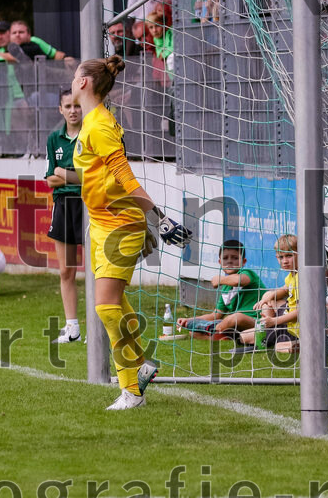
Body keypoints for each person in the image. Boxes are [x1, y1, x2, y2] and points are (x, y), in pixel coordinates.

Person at [71, 55, 192, 410]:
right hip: (103, 223)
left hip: (119, 224)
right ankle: (138, 371)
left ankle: (133, 385)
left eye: (76, 74)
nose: (72, 78)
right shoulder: (93, 122)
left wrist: (157, 217)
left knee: (107, 307)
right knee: (113, 304)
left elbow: (125, 176)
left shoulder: (100, 125)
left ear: (84, 83)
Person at [45, 90, 85, 344]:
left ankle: (100, 327)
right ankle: (72, 327)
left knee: (96, 271)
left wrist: (65, 173)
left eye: (77, 106)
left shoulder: (91, 134)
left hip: (88, 203)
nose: (73, 110)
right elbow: (50, 179)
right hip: (63, 204)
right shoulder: (53, 138)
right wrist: (70, 174)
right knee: (65, 270)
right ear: (60, 109)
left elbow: (90, 177)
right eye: (68, 106)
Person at [176, 239, 264, 341]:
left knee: (236, 317)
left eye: (235, 258)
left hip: (257, 322)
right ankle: (222, 335)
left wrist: (220, 279)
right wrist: (189, 320)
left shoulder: (248, 273)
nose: (230, 261)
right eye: (225, 258)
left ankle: (213, 329)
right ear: (220, 262)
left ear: (243, 262)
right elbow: (216, 315)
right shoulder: (225, 288)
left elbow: (239, 280)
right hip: (234, 325)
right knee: (193, 333)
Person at [251, 234, 301, 350]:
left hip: (295, 327)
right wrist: (267, 297)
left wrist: (274, 321)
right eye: (281, 257)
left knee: (277, 346)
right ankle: (267, 331)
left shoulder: (302, 278)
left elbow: (301, 312)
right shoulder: (291, 276)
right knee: (268, 298)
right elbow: (284, 289)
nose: (285, 261)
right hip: (287, 321)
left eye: (289, 256)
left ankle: (271, 335)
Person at [147, 9, 174, 82]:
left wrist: (164, 54)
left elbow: (174, 48)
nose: (154, 30)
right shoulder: (156, 39)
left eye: (157, 26)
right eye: (151, 27)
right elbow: (160, 55)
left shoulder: (171, 32)